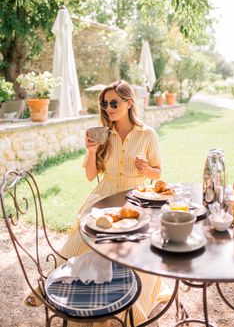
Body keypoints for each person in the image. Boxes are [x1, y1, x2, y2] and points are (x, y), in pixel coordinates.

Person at [26, 80, 169, 325]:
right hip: (104, 196)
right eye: (105, 104)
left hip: (137, 199)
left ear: (129, 102)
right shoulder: (102, 134)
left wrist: (146, 168)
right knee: (80, 242)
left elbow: (158, 174)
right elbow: (91, 176)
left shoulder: (148, 134)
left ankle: (127, 313)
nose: (109, 108)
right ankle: (50, 285)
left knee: (134, 253)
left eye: (114, 103)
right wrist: (92, 151)